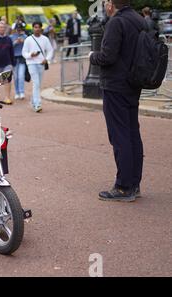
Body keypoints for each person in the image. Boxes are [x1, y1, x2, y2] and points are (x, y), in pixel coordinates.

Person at [89, 0, 145, 202]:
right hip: (134, 82)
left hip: (115, 84)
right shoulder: (139, 19)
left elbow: (107, 56)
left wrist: (92, 56)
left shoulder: (116, 22)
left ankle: (123, 187)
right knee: (132, 134)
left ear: (111, 4)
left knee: (119, 135)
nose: (104, 5)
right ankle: (134, 183)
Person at [22, 22, 54, 113]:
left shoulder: (45, 39)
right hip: (31, 63)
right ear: (32, 28)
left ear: (41, 28)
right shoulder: (28, 39)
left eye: (38, 27)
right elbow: (24, 53)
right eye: (35, 27)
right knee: (36, 83)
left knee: (38, 84)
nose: (37, 29)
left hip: (41, 63)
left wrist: (46, 59)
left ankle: (33, 100)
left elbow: (50, 50)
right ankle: (37, 104)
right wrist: (30, 54)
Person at [10, 23, 28, 101]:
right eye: (17, 28)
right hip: (14, 58)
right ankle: (17, 92)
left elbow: (28, 47)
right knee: (16, 77)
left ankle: (21, 92)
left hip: (22, 58)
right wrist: (15, 42)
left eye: (20, 28)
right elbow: (10, 47)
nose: (19, 30)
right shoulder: (11, 37)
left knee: (21, 76)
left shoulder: (25, 37)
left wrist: (23, 41)